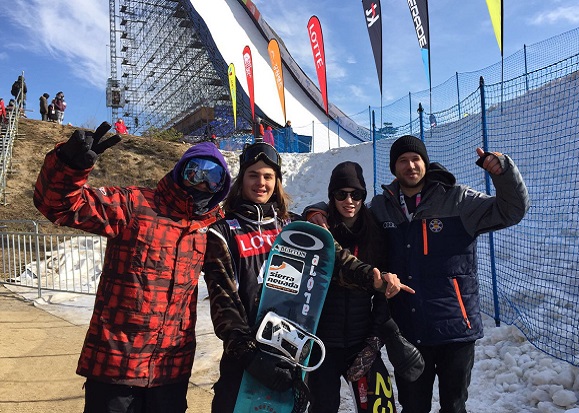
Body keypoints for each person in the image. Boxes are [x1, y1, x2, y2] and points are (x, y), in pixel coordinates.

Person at [308, 135, 529, 413]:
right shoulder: (382, 206)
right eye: (402, 160)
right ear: (393, 168)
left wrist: (504, 173)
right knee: (412, 406)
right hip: (409, 329)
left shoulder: (458, 199)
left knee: (454, 406)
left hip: (454, 329)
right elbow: (348, 207)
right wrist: (316, 210)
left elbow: (512, 211)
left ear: (424, 162)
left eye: (416, 159)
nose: (410, 165)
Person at [33, 121, 232, 413]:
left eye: (212, 177)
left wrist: (315, 213)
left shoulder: (212, 228)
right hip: (116, 365)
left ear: (221, 186)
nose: (202, 182)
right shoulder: (134, 205)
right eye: (195, 171)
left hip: (169, 370)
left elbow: (259, 230)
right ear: (180, 172)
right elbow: (60, 205)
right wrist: (68, 166)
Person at [203, 142, 409, 413]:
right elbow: (224, 303)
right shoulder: (223, 232)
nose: (260, 183)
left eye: (268, 176)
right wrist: (249, 354)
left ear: (277, 182)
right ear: (242, 179)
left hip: (289, 351)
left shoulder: (294, 227)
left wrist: (375, 279)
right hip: (244, 357)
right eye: (253, 175)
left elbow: (336, 263)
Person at [306, 161, 424, 413]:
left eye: (356, 194)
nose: (349, 201)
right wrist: (312, 211)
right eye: (341, 194)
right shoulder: (320, 230)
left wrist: (372, 342)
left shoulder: (375, 233)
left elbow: (384, 297)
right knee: (322, 407)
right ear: (331, 197)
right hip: (323, 342)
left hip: (359, 340)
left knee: (381, 407)